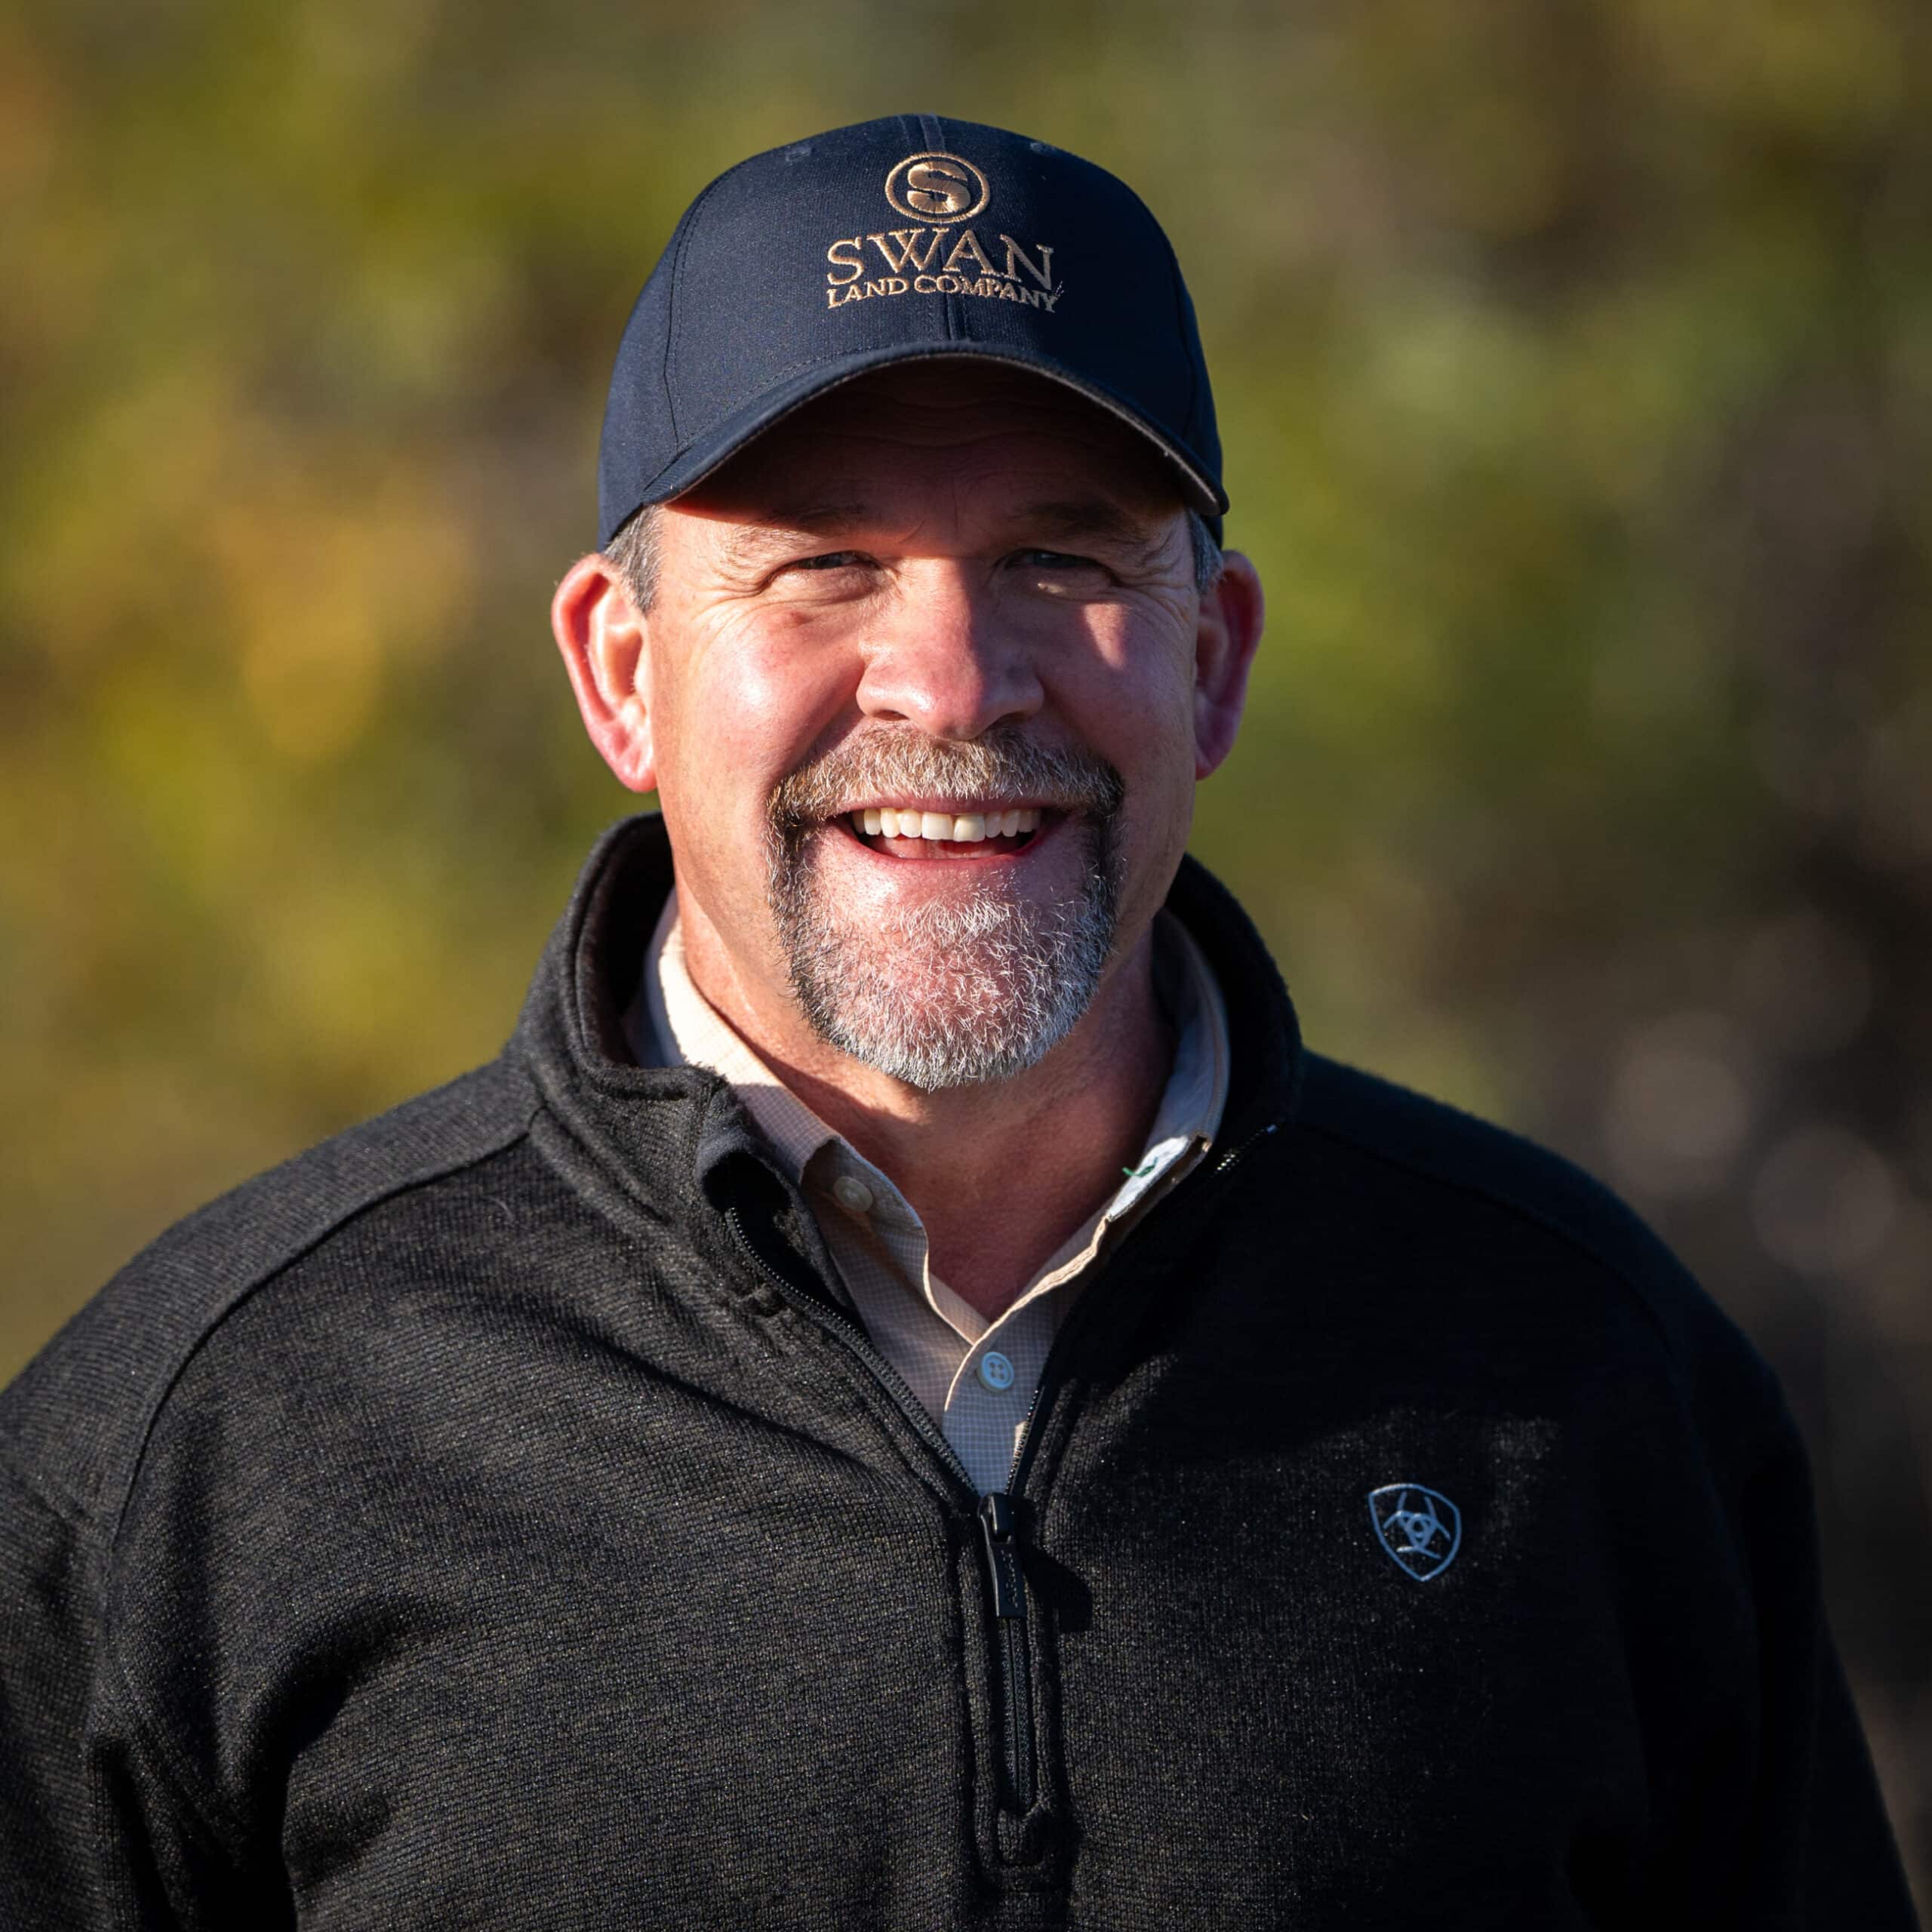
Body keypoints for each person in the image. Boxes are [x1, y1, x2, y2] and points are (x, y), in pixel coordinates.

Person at [0, 114, 1915, 1930]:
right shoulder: (205, 1433)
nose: (951, 676)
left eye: (1060, 560)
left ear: (1212, 655)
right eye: (823, 562)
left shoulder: (1583, 1372)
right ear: (622, 670)